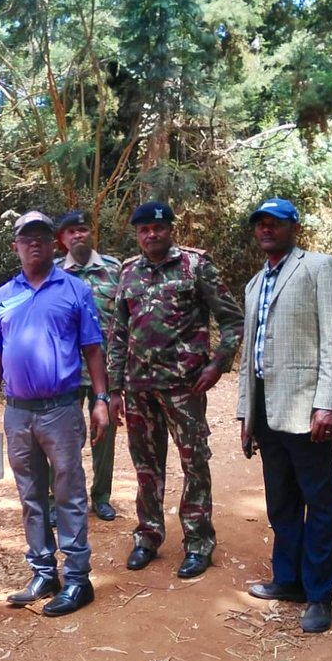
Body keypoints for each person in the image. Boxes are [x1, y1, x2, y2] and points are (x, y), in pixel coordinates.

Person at [0, 211, 110, 616]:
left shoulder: (74, 290)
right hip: (18, 412)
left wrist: (102, 400)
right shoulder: (3, 296)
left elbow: (93, 349)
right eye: (26, 237)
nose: (33, 243)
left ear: (54, 244)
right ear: (15, 246)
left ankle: (77, 578)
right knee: (31, 496)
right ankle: (42, 570)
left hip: (61, 409)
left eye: (41, 236)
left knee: (70, 494)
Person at [108, 201, 243, 579]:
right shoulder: (128, 272)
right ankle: (148, 536)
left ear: (170, 229)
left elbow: (232, 319)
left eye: (158, 228)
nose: (151, 235)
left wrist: (218, 365)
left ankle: (198, 542)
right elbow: (118, 334)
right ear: (137, 234)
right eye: (144, 230)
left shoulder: (195, 266)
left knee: (194, 463)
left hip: (183, 386)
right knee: (146, 467)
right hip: (138, 388)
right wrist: (114, 388)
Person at [235, 199, 332, 634]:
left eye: (275, 223)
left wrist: (329, 403)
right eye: (261, 224)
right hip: (267, 410)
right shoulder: (253, 285)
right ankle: (289, 580)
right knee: (281, 501)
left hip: (307, 410)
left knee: (319, 504)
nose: (267, 230)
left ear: (293, 227)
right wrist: (246, 413)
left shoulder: (319, 268)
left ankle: (320, 594)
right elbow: (250, 357)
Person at [55, 210, 122, 521]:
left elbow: (127, 320)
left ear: (91, 233)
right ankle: (60, 498)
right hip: (63, 373)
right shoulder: (53, 272)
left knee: (104, 436)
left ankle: (102, 496)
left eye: (82, 230)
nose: (77, 236)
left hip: (105, 371)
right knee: (62, 437)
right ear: (62, 239)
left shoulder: (115, 269)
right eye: (71, 232)